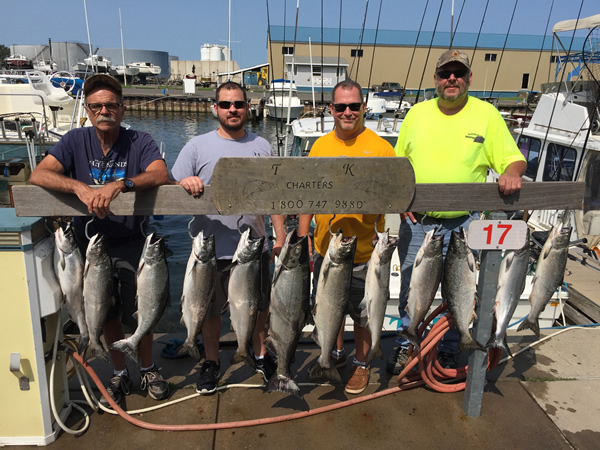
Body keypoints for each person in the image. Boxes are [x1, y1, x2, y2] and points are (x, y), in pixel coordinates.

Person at [30, 74, 172, 406]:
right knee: (104, 310)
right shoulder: (74, 140)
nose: (103, 111)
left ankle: (148, 367)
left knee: (142, 309)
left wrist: (122, 184)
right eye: (96, 106)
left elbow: (160, 174)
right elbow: (40, 173)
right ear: (88, 110)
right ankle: (120, 373)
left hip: (131, 241)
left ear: (123, 109)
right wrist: (79, 187)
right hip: (89, 247)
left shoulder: (140, 141)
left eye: (110, 105)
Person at [387, 49, 527, 374]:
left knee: (459, 293)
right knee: (412, 288)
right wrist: (399, 199)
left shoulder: (487, 115)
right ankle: (407, 344)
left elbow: (513, 158)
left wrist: (513, 173)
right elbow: (397, 166)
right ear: (435, 79)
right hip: (419, 224)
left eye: (459, 73)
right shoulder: (416, 115)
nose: (452, 78)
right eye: (445, 73)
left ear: (468, 79)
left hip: (464, 226)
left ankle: (451, 347)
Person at [171, 81, 285, 394]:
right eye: (225, 104)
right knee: (208, 311)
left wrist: (280, 234)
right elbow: (174, 180)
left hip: (253, 245)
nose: (232, 109)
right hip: (209, 251)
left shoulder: (263, 144)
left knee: (258, 307)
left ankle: (259, 354)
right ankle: (210, 362)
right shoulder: (196, 146)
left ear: (248, 107)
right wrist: (186, 180)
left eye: (237, 104)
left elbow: (272, 197)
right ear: (215, 109)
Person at [297, 79, 396, 395]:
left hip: (366, 252)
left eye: (354, 106)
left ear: (364, 107)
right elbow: (306, 196)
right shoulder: (320, 146)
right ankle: (334, 353)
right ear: (331, 109)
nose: (348, 112)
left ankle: (363, 363)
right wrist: (303, 236)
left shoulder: (382, 148)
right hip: (326, 249)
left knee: (363, 313)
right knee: (329, 307)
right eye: (341, 107)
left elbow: (394, 196)